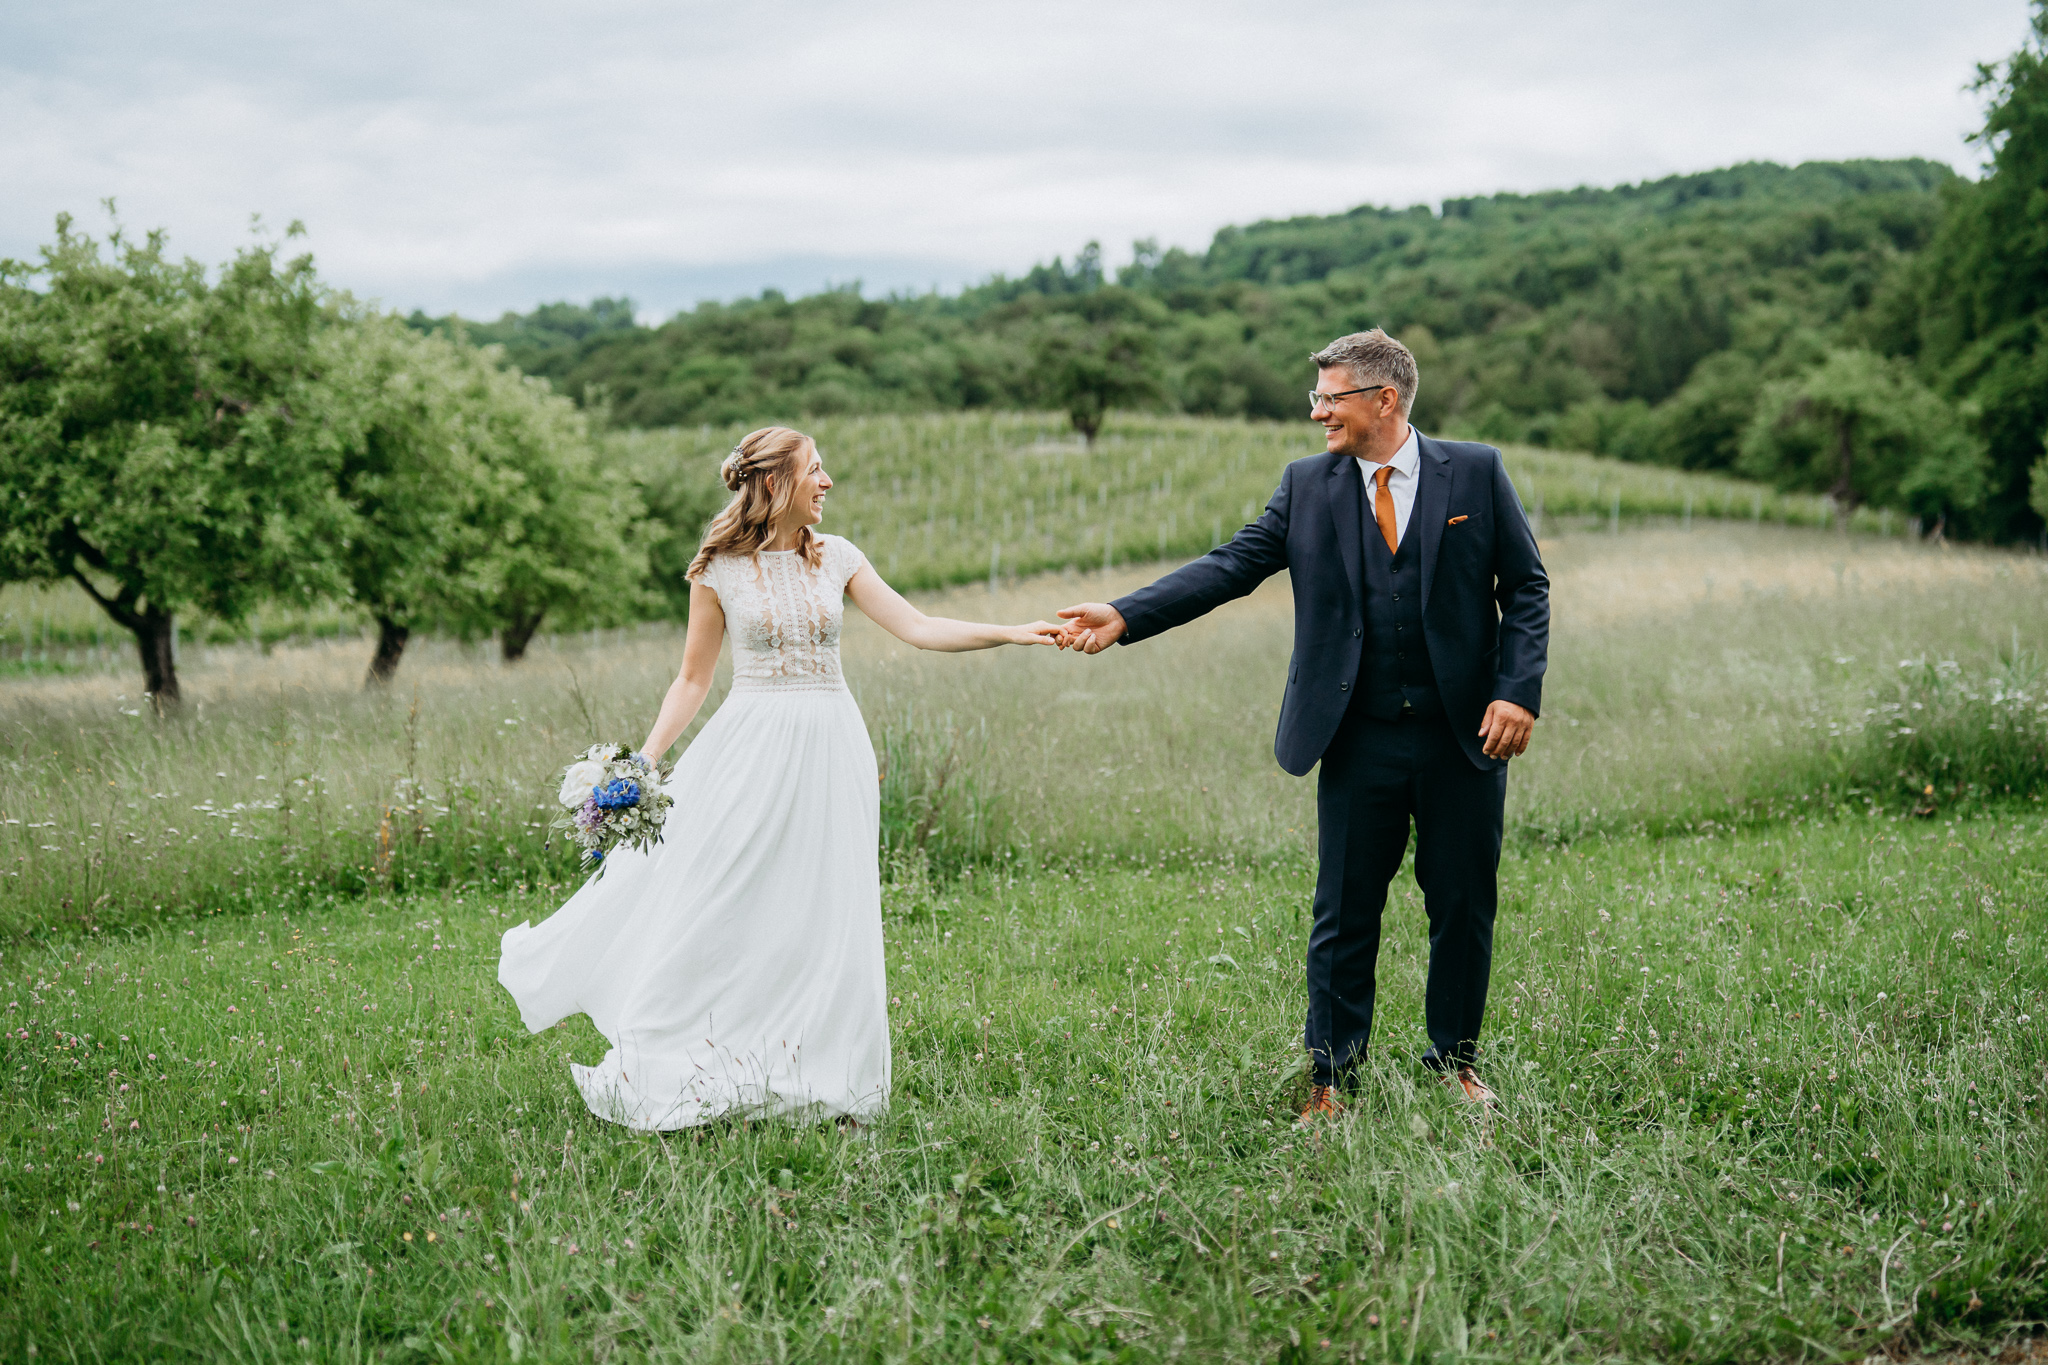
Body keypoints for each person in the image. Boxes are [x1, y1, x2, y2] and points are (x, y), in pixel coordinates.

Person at [498, 426, 1061, 1131]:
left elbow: (918, 626)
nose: (828, 483)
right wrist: (643, 760)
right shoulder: (717, 571)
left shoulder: (841, 559)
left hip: (833, 745)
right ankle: (687, 1055)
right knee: (726, 895)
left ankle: (833, 1081)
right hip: (751, 746)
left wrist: (1012, 631)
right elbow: (692, 678)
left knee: (829, 904)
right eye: (816, 470)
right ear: (775, 483)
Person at [1056, 330, 1549, 1116]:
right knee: (1343, 910)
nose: (1316, 411)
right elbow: (1230, 566)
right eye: (1316, 396)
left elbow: (1525, 587)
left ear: (1384, 400)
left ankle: (1455, 1062)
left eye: (1331, 396)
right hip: (1355, 733)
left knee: (1462, 902)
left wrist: (1516, 690)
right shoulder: (1306, 485)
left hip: (1466, 735)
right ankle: (1332, 1080)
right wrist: (1124, 613)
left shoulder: (1478, 472)